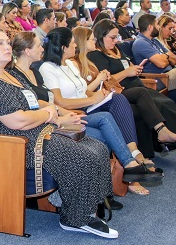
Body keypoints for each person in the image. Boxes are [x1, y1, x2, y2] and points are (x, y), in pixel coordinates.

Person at [0, 29, 117, 238]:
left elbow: (33, 102)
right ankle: (75, 219)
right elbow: (16, 120)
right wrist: (49, 114)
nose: (7, 47)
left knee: (97, 147)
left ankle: (87, 207)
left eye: (8, 42)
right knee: (85, 157)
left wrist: (53, 112)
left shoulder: (8, 75)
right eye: (0, 43)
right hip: (19, 144)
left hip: (37, 132)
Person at [89, 19, 176, 168]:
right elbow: (105, 81)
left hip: (139, 88)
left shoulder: (116, 50)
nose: (116, 41)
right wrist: (127, 72)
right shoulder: (95, 55)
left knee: (166, 102)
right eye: (112, 38)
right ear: (101, 36)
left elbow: (131, 66)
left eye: (117, 37)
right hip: (122, 93)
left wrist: (134, 69)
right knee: (155, 101)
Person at [38, 27, 161, 190]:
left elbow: (83, 90)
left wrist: (99, 94)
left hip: (86, 105)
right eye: (73, 43)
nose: (76, 46)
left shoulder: (69, 63)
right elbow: (60, 101)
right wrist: (93, 98)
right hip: (73, 112)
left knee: (117, 99)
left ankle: (132, 156)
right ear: (63, 47)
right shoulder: (47, 68)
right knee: (107, 122)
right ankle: (128, 164)